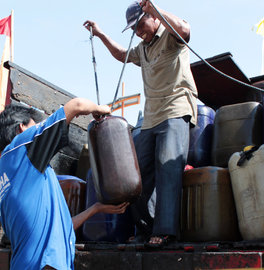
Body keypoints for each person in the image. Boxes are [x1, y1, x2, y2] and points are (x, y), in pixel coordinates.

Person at [83, 0, 198, 247]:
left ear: (153, 17)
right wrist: (101, 34)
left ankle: (166, 231)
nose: (138, 31)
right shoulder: (142, 48)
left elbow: (186, 31)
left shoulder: (171, 35)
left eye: (140, 24)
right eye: (133, 28)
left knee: (167, 169)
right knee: (136, 176)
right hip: (151, 118)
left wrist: (155, 8)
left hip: (176, 110)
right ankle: (146, 227)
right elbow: (122, 55)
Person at [0, 99, 128, 270]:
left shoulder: (10, 175)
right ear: (22, 128)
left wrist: (96, 209)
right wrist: (99, 108)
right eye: (35, 125)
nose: (39, 128)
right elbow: (75, 106)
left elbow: (61, 228)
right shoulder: (22, 147)